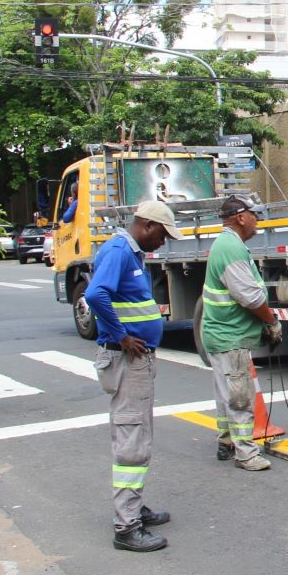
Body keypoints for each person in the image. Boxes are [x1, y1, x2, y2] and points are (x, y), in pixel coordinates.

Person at [85, 200, 183, 552]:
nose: (164, 242)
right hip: (127, 360)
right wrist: (121, 336)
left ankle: (133, 507)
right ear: (146, 225)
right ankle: (126, 527)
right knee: (132, 442)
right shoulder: (119, 251)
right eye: (162, 234)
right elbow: (95, 294)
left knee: (138, 435)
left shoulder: (130, 252)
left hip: (135, 361)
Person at [201, 195, 283, 472]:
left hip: (221, 334)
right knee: (239, 396)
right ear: (241, 217)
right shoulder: (230, 248)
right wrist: (272, 322)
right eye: (255, 215)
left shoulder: (228, 245)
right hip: (229, 335)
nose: (257, 221)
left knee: (225, 393)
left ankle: (226, 442)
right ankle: (246, 454)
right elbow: (249, 297)